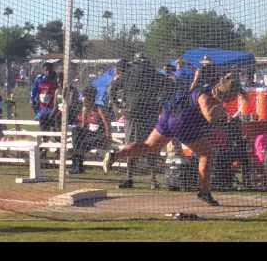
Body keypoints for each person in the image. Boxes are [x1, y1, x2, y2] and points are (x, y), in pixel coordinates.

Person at [103, 73, 244, 206]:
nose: (234, 98)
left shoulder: (211, 89)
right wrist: (224, 112)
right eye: (234, 95)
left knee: (149, 146)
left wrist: (233, 103)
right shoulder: (206, 96)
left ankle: (115, 154)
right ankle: (204, 192)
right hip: (183, 122)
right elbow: (210, 117)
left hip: (169, 116)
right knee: (206, 154)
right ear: (226, 91)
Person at [109, 54, 168, 189]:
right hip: (143, 115)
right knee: (149, 146)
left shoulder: (134, 73)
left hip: (137, 114)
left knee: (134, 145)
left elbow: (112, 89)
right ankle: (150, 180)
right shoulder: (152, 74)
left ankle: (134, 178)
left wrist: (118, 107)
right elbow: (170, 85)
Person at [69, 86, 112, 174]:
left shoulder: (99, 108)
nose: (83, 99)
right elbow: (84, 126)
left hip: (100, 135)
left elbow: (107, 123)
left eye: (85, 97)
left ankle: (77, 167)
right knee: (76, 131)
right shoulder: (85, 109)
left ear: (90, 98)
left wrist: (108, 137)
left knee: (79, 144)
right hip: (89, 136)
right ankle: (77, 167)